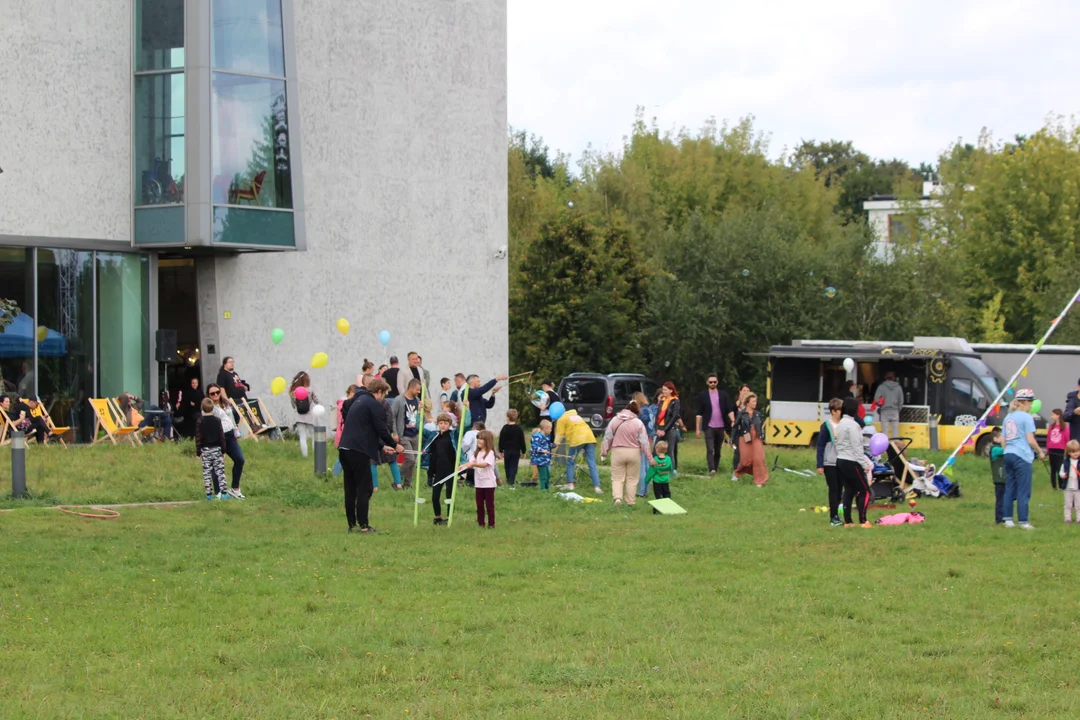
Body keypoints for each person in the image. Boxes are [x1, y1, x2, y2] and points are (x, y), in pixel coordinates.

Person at [338, 378, 402, 533]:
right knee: (365, 488)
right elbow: (380, 430)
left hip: (344, 448)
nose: (384, 399)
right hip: (358, 451)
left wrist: (382, 447)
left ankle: (352, 525)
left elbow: (365, 429)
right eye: (384, 395)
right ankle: (364, 526)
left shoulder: (358, 400)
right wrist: (395, 445)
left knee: (350, 487)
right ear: (379, 391)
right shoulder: (374, 404)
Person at [1002, 389, 1044, 529]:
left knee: (1010, 487)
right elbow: (1030, 440)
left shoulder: (1008, 417)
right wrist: (1040, 451)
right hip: (1022, 455)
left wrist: (1006, 450)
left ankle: (1008, 519)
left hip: (1008, 453)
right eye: (1031, 402)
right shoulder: (1026, 417)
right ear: (1026, 402)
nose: (1031, 405)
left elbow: (1003, 439)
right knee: (1023, 489)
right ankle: (1023, 521)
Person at [600, 400, 653, 506]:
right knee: (632, 479)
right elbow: (644, 441)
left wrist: (604, 452)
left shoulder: (615, 420)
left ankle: (617, 498)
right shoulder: (638, 423)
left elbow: (608, 436)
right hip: (634, 452)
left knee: (617, 477)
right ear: (636, 411)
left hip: (617, 452)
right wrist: (649, 457)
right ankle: (630, 502)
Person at [834, 397, 872, 527]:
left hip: (840, 460)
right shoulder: (853, 425)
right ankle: (863, 520)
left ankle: (848, 521)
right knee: (865, 491)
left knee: (849, 490)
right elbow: (857, 447)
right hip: (851, 461)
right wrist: (865, 464)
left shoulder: (840, 424)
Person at [206, 383, 246, 498]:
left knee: (240, 460)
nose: (215, 395)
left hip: (230, 435)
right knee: (217, 464)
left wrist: (235, 432)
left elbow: (232, 419)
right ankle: (218, 492)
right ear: (208, 395)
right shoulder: (208, 407)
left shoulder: (225, 403)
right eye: (212, 393)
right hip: (217, 436)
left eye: (217, 392)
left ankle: (235, 488)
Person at [696, 374, 735, 476]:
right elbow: (699, 413)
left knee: (717, 450)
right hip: (709, 426)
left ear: (717, 382)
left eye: (714, 382)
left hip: (721, 426)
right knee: (710, 448)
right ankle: (711, 469)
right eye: (710, 382)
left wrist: (733, 420)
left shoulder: (723, 395)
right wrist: (698, 429)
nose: (712, 383)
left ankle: (715, 469)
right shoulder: (703, 395)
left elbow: (729, 410)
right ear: (707, 383)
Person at [555, 408, 602, 493]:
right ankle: (597, 487)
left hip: (577, 439)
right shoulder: (575, 415)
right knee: (592, 463)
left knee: (570, 461)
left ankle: (570, 485)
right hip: (590, 437)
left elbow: (559, 434)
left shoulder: (561, 419)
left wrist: (554, 445)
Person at [816, 398, 844, 526]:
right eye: (840, 410)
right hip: (829, 462)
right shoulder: (826, 426)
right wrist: (820, 464)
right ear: (833, 411)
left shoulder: (845, 424)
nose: (842, 413)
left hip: (842, 461)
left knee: (840, 490)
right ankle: (833, 517)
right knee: (833, 489)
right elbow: (820, 445)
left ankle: (837, 514)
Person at [426, 412, 458, 525]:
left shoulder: (453, 435)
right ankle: (438, 517)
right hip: (438, 470)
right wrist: (430, 474)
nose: (443, 425)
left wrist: (467, 408)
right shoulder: (434, 437)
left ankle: (449, 518)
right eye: (441, 423)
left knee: (449, 496)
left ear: (449, 424)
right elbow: (432, 457)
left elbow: (466, 424)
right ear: (437, 424)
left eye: (445, 423)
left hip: (450, 470)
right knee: (435, 496)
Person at [196, 398, 230, 500]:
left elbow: (198, 437)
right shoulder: (217, 420)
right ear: (213, 408)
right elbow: (221, 437)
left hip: (205, 450)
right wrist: (223, 450)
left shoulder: (199, 421)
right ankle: (224, 493)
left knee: (207, 472)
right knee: (220, 471)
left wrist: (198, 452)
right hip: (217, 449)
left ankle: (208, 495)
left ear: (202, 408)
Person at [464, 429, 499, 527]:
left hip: (489, 484)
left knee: (489, 505)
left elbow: (484, 464)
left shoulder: (490, 453)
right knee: (479, 505)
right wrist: (462, 466)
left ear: (487, 441)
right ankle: (481, 523)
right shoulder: (476, 453)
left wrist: (473, 464)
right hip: (479, 483)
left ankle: (491, 524)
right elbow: (470, 463)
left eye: (481, 439)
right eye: (478, 438)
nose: (479, 441)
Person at [732, 393, 769, 486]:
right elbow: (735, 427)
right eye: (753, 401)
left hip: (756, 437)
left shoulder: (758, 414)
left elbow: (760, 427)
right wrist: (732, 440)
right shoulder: (741, 414)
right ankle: (737, 473)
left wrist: (762, 436)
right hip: (744, 437)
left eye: (755, 401)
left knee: (759, 459)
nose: (755, 403)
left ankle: (760, 481)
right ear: (747, 403)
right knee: (745, 461)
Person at [392, 378, 423, 486]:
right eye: (417, 389)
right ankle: (397, 479)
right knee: (409, 459)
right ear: (410, 387)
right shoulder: (399, 400)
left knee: (413, 461)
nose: (419, 392)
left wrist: (420, 410)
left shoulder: (418, 400)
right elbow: (393, 417)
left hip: (414, 433)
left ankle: (407, 484)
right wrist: (395, 432)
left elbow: (419, 417)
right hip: (404, 434)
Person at [289, 371, 319, 458]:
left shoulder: (293, 392)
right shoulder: (310, 390)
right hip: (310, 416)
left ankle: (305, 456)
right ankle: (316, 455)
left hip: (299, 416)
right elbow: (317, 401)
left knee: (302, 437)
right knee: (313, 436)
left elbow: (293, 406)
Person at [655, 382, 682, 472]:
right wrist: (657, 429)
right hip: (660, 427)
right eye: (663, 389)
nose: (664, 391)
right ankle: (657, 469)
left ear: (671, 390)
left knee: (670, 451)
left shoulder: (675, 401)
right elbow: (658, 415)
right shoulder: (662, 400)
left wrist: (665, 429)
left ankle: (671, 471)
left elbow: (674, 416)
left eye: (665, 390)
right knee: (656, 450)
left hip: (670, 428)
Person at [635, 391, 658, 497]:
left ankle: (641, 492)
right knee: (647, 466)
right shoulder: (650, 410)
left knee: (641, 467)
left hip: (641, 440)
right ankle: (647, 491)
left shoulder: (641, 412)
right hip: (649, 439)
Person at [333, 385, 359, 476]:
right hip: (344, 433)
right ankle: (335, 475)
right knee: (342, 457)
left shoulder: (345, 403)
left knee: (345, 456)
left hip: (344, 433)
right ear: (349, 393)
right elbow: (344, 421)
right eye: (354, 393)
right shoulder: (344, 404)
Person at [498, 409, 526, 487]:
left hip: (507, 451)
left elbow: (501, 439)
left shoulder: (505, 428)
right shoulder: (519, 428)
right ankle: (511, 481)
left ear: (507, 418)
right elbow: (522, 440)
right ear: (516, 417)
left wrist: (500, 450)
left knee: (507, 465)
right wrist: (523, 451)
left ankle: (509, 479)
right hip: (516, 451)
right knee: (514, 466)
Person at [873, 372, 904, 439]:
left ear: (885, 378)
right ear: (894, 378)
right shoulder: (898, 387)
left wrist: (881, 404)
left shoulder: (881, 387)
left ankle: (885, 448)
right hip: (895, 410)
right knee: (895, 433)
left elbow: (876, 399)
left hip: (884, 411)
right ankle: (896, 446)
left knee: (885, 432)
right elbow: (901, 400)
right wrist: (898, 409)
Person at [645, 440, 674, 506]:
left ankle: (658, 507)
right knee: (666, 493)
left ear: (657, 450)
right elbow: (670, 467)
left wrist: (647, 480)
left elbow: (651, 471)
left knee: (658, 494)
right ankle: (668, 505)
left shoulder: (655, 460)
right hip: (665, 480)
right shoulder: (668, 459)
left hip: (657, 481)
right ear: (666, 450)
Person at [1047, 408, 1070, 490]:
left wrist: (1067, 450)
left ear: (1058, 415)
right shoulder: (1051, 427)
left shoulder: (1065, 428)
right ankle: (1054, 487)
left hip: (1060, 450)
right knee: (1053, 469)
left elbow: (1067, 440)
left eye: (1053, 414)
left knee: (1059, 468)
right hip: (1052, 450)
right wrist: (1048, 450)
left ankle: (1061, 486)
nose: (1051, 416)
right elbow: (1048, 439)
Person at [1059, 440, 1080, 524]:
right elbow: (1061, 472)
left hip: (1078, 487)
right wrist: (1063, 475)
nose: (1076, 453)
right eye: (1073, 452)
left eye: (1077, 451)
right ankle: (1068, 518)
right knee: (1068, 504)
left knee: (1079, 505)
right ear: (1068, 453)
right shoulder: (1065, 462)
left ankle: (1079, 519)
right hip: (1068, 487)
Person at [530, 419, 554, 490]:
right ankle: (543, 489)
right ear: (545, 428)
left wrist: (554, 444)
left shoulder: (546, 437)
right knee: (543, 476)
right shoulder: (537, 437)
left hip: (546, 460)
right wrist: (542, 450)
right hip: (540, 460)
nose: (551, 430)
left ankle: (547, 488)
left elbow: (548, 446)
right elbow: (534, 447)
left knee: (547, 475)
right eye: (550, 429)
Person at [989, 428, 1006, 524]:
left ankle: (1006, 516)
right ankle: (999, 519)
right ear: (995, 439)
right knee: (1000, 500)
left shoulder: (1000, 447)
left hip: (1005, 478)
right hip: (1000, 479)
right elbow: (1005, 450)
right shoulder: (995, 449)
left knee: (1006, 499)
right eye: (1001, 436)